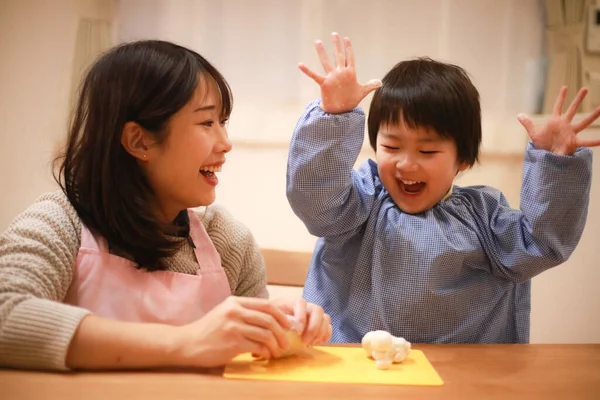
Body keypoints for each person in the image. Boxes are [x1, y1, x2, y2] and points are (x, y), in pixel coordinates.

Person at [0, 40, 331, 371]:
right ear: (139, 141)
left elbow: (256, 366)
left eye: (223, 121)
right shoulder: (61, 222)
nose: (225, 143)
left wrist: (284, 328)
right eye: (206, 123)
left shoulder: (227, 241)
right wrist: (188, 342)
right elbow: (7, 312)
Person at [286, 33, 600, 343]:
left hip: (461, 379)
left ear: (462, 159)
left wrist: (555, 164)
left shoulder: (483, 217)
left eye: (427, 152)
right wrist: (333, 117)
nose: (406, 164)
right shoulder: (359, 201)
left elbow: (542, 244)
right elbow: (315, 201)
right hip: (354, 369)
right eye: (392, 147)